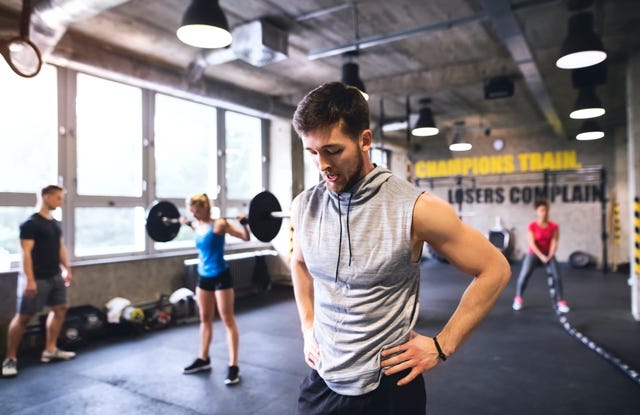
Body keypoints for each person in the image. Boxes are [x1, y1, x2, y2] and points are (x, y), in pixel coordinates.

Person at [289, 82, 511, 415]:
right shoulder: (304, 206)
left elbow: (495, 268)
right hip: (323, 381)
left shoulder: (416, 209)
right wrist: (308, 326)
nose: (322, 165)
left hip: (387, 390)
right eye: (312, 153)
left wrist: (442, 345)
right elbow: (299, 263)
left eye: (333, 151)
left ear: (365, 140)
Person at [2, 185, 75, 378]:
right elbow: (25, 254)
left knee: (60, 309)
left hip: (55, 276)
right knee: (24, 317)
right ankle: (10, 358)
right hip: (37, 279)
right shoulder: (30, 224)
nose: (61, 202)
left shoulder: (54, 224)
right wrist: (30, 280)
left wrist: (66, 268)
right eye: (58, 198)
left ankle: (50, 349)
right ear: (46, 196)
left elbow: (60, 248)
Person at [180, 193, 250, 386]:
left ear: (205, 208)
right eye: (191, 211)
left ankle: (233, 365)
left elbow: (245, 237)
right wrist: (185, 222)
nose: (193, 214)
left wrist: (244, 222)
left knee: (227, 319)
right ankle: (203, 358)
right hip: (203, 277)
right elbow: (193, 225)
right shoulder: (196, 225)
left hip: (221, 276)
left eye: (196, 210)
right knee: (204, 319)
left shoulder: (219, 224)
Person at [512, 199, 570, 313]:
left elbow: (554, 241)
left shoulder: (554, 226)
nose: (545, 212)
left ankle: (561, 301)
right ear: (537, 211)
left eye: (546, 210)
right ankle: (518, 298)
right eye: (542, 210)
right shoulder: (532, 226)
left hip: (548, 254)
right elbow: (532, 244)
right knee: (524, 275)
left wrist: (550, 254)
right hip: (534, 253)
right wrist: (541, 256)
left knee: (557, 277)